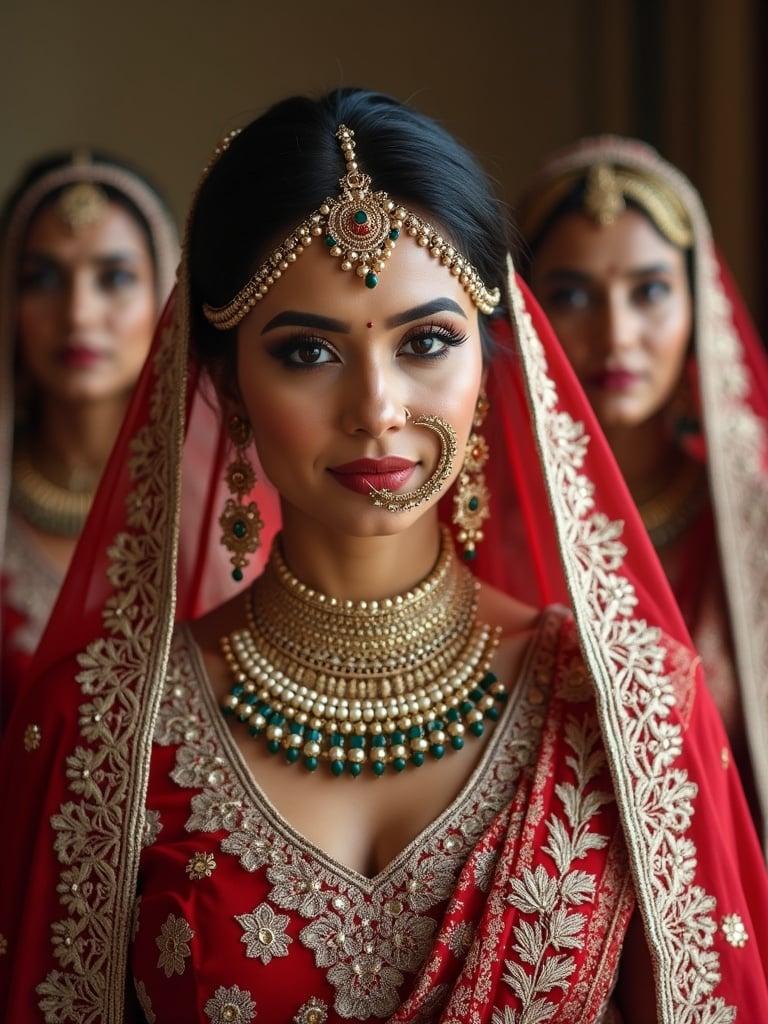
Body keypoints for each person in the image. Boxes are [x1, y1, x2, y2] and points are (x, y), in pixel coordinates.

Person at [0, 91, 766, 1023]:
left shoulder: (633, 711)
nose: (379, 408)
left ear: (490, 366)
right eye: (307, 353)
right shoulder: (98, 731)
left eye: (428, 342)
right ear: (224, 383)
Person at [517, 137, 768, 849]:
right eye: (571, 296)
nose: (616, 334)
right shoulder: (489, 520)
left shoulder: (747, 522)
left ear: (700, 306)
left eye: (650, 291)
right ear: (525, 311)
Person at [0, 151, 178, 724]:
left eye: (115, 278)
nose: (78, 313)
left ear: (165, 298)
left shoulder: (217, 505)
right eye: (42, 279)